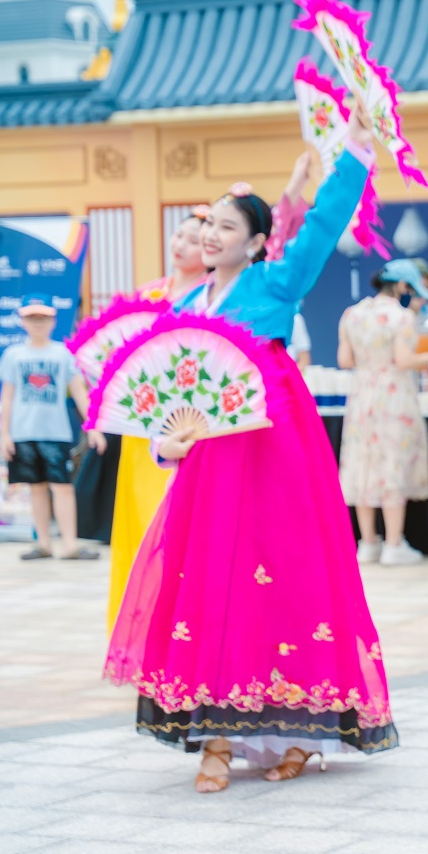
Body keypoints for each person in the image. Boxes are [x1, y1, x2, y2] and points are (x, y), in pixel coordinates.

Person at [105, 104, 398, 793]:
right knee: (212, 582)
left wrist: (352, 155)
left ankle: (299, 729)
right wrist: (166, 444)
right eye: (206, 224)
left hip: (274, 456)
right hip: (208, 467)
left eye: (226, 227)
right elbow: (166, 396)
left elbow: (322, 230)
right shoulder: (184, 312)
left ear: (258, 242)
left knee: (284, 576)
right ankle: (217, 733)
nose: (209, 235)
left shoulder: (276, 282)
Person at [106, 212, 208, 625]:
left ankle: (178, 626)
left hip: (189, 424)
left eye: (194, 238)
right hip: (143, 429)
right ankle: (138, 625)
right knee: (139, 524)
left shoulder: (211, 296)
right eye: (179, 234)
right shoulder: (147, 297)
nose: (181, 243)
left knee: (179, 529)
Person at [337, 258, 428, 566]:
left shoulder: (351, 315)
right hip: (395, 397)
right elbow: (404, 359)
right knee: (393, 462)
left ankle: (367, 543)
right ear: (402, 286)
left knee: (363, 464)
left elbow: (344, 360)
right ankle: (394, 544)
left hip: (362, 395)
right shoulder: (402, 317)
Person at [0, 296, 107, 561]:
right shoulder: (13, 355)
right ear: (23, 321)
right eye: (32, 318)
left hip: (55, 432)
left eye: (43, 318)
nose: (38, 323)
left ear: (53, 321)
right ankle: (43, 543)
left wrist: (93, 427)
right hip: (24, 432)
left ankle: (69, 544)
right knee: (35, 486)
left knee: (62, 486)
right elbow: (8, 396)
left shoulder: (62, 353)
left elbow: (80, 392)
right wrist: (5, 434)